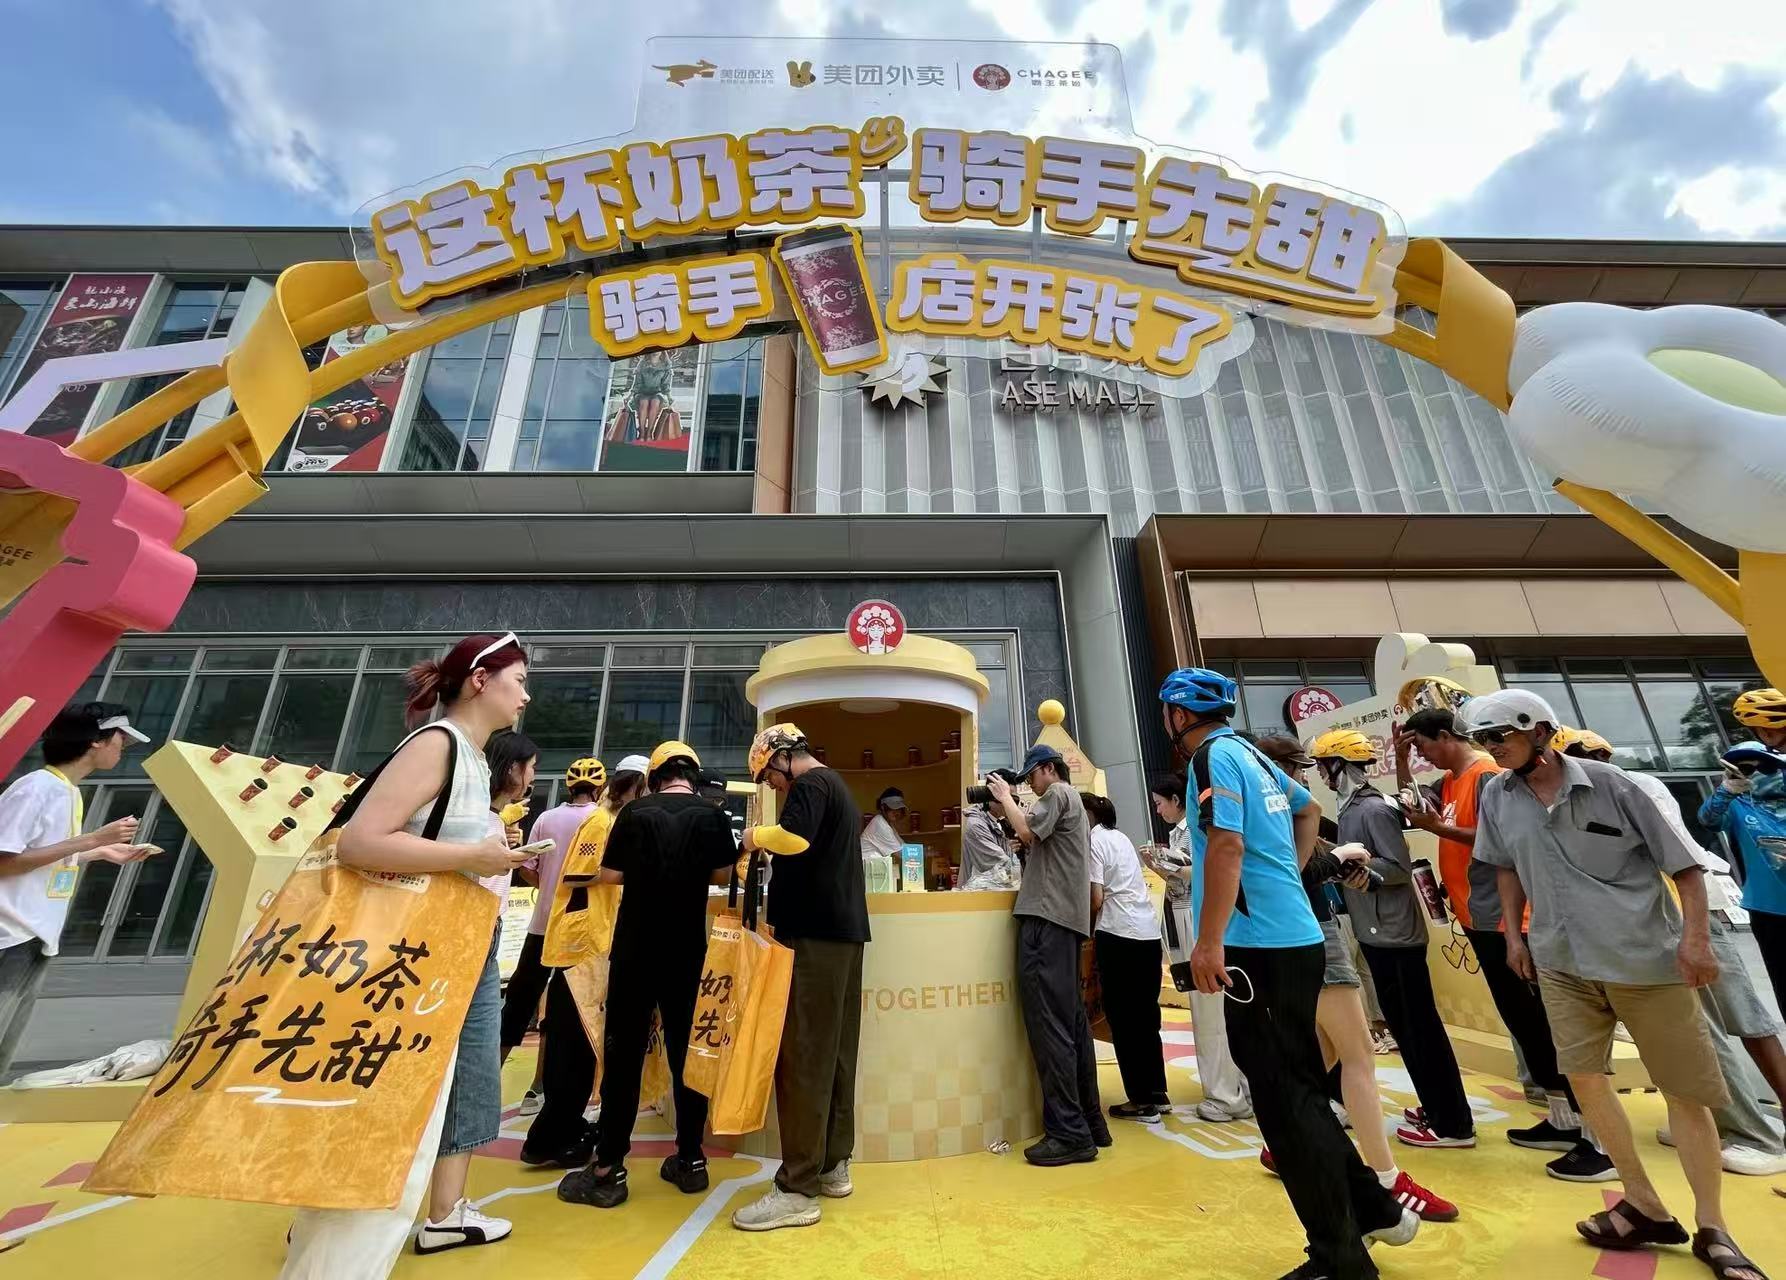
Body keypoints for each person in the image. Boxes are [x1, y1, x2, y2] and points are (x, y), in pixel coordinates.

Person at [1464, 688, 1765, 1280]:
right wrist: (1513, 936)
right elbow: (1505, 865)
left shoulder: (1616, 786)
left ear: (1539, 732)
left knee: (1684, 1092)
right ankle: (1644, 1204)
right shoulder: (1497, 794)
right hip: (1560, 961)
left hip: (1643, 961)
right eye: (1484, 739)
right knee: (1584, 1079)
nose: (1492, 748)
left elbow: (1686, 867)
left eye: (1500, 736)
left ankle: (1714, 1227)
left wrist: (1696, 941)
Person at [281, 632, 532, 1278]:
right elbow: (361, 841)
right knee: (391, 1091)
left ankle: (442, 1213)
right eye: (519, 681)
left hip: (456, 941)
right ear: (481, 680)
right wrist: (474, 856)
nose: (525, 696)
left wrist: (487, 857)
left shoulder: (467, 754)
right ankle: (332, 1237)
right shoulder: (437, 744)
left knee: (466, 1079)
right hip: (414, 948)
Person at [1163, 667, 1418, 1280]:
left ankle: (1339, 1257)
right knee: (1300, 1091)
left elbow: (1226, 846)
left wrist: (1209, 942)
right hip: (1294, 938)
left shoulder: (1213, 757)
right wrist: (1288, 877)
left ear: (1178, 715)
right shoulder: (1252, 752)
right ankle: (1374, 1208)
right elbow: (1309, 811)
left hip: (1258, 949)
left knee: (1285, 1108)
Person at [1557, 729, 1786, 1177]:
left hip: (1675, 917)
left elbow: (1673, 861)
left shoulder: (1622, 790)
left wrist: (1689, 936)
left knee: (1705, 1029)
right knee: (1735, 1023)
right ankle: (1721, 1124)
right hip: (1682, 916)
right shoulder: (1630, 787)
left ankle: (1752, 1134)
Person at [1395, 706, 1607, 1180]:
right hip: (1480, 918)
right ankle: (1562, 1117)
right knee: (1524, 1023)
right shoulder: (1452, 781)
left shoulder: (1486, 776)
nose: (1423, 756)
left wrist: (1439, 830)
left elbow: (1500, 840)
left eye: (1423, 747)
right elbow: (1417, 810)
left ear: (1446, 735)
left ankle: (1596, 1132)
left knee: (1546, 1024)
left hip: (1509, 922)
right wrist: (1404, 764)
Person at [1254, 735, 1458, 1223]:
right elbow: (1292, 872)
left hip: (1316, 932)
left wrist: (1341, 863)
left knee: (1322, 1054)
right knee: (1358, 1054)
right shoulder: (1282, 808)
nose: (1311, 776)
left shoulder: (1301, 808)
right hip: (1317, 934)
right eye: (1304, 767)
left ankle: (1284, 1144)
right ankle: (1386, 1179)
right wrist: (1337, 858)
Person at [557, 741, 737, 1209]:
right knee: (686, 1055)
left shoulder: (634, 814)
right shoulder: (712, 815)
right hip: (688, 952)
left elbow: (610, 875)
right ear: (693, 776)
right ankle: (691, 1159)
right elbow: (722, 875)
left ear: (654, 777)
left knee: (624, 1056)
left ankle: (608, 1169)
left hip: (635, 951)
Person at [732, 723, 871, 1231]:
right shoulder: (836, 786)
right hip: (841, 936)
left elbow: (792, 839)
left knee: (805, 1057)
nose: (770, 784)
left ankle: (796, 1188)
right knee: (834, 1053)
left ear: (783, 756)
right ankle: (832, 1164)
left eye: (768, 775)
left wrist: (752, 837)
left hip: (814, 938)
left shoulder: (811, 784)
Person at [1311, 729, 1474, 1152]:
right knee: (1407, 1028)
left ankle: (1452, 1123)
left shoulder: (1372, 809)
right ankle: (1437, 1108)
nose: (1322, 775)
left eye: (1325, 766)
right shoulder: (1352, 808)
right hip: (1378, 932)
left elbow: (1398, 867)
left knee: (1420, 1030)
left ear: (1339, 765)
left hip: (1396, 936)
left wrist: (1361, 871)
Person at [0, 702, 153, 1077]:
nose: (122, 748)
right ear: (95, 741)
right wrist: (91, 840)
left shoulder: (66, 791)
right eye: (120, 739)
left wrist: (98, 852)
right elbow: (4, 860)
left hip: (34, 935)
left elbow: (37, 857)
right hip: (9, 934)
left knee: (4, 1048)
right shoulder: (36, 788)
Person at [986, 744, 1108, 1165]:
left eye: (1030, 777)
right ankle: (1090, 1121)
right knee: (1072, 1025)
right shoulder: (1071, 804)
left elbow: (1026, 832)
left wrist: (1004, 798)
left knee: (1049, 1026)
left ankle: (1069, 1133)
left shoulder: (1058, 793)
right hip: (1065, 923)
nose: (1030, 786)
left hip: (1046, 920)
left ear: (1048, 770)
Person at [501, 757, 605, 1117]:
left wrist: (548, 886)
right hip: (576, 931)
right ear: (600, 788)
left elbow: (527, 868)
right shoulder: (600, 820)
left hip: (540, 926)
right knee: (562, 1012)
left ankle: (488, 1080)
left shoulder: (546, 819)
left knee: (518, 1004)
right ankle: (539, 1086)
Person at [1145, 772, 1251, 1123]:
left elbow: (1205, 869)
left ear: (1178, 800)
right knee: (1214, 1008)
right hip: (1193, 915)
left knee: (1210, 1009)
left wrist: (1169, 866)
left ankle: (1226, 1094)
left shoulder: (1195, 830)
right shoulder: (1189, 830)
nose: (1158, 810)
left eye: (1160, 803)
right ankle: (1237, 1086)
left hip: (1195, 915)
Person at [1084, 792, 1169, 1122]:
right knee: (1147, 1017)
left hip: (1118, 934)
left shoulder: (1093, 841)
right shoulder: (1120, 838)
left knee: (1123, 1019)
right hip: (1148, 933)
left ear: (1087, 816)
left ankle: (1141, 1102)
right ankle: (1157, 1093)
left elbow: (1095, 898)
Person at [1705, 700, 1786, 1007]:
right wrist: (1727, 790)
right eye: (1746, 767)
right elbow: (1708, 819)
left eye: (1763, 765)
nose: (1756, 772)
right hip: (1769, 908)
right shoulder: (1738, 805)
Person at [959, 773, 1020, 889]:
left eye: (1014, 800)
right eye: (1006, 798)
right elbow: (1003, 868)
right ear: (992, 797)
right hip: (978, 895)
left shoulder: (1001, 823)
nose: (1011, 804)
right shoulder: (976, 825)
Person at [861, 787, 906, 861]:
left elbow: (904, 847)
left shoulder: (887, 824)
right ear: (882, 807)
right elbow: (900, 854)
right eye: (891, 808)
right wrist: (923, 853)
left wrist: (923, 850)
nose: (896, 812)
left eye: (899, 808)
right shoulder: (880, 824)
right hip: (866, 866)